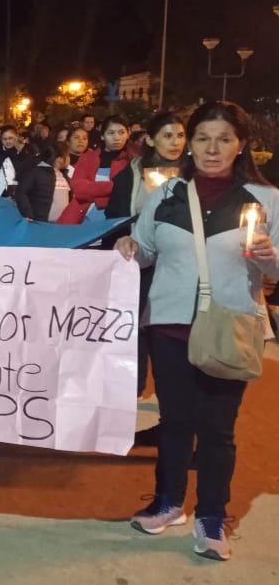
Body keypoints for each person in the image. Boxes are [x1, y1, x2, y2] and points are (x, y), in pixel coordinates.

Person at [117, 101, 279, 562]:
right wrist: (130, 244)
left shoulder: (265, 200)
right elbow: (146, 249)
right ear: (191, 142)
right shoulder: (167, 193)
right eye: (203, 138)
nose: (212, 149)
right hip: (169, 327)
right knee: (174, 424)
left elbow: (278, 265)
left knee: (217, 429)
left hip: (230, 327)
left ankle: (211, 515)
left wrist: (269, 258)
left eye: (224, 139)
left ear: (241, 145)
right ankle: (168, 503)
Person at [106, 111, 187, 437]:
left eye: (180, 135)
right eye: (168, 136)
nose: (175, 142)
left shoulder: (193, 176)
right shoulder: (132, 174)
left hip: (179, 273)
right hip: (139, 268)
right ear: (151, 139)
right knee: (134, 340)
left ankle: (174, 422)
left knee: (173, 349)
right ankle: (129, 408)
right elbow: (114, 219)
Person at [58, 116, 135, 224]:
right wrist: (113, 186)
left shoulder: (133, 162)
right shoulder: (88, 158)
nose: (117, 137)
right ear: (103, 136)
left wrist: (94, 192)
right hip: (83, 219)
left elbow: (131, 194)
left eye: (121, 132)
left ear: (128, 134)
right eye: (111, 133)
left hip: (118, 222)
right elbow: (79, 189)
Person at [14, 142, 72, 222]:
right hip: (40, 224)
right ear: (60, 159)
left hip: (59, 225)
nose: (69, 159)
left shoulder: (63, 175)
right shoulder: (36, 172)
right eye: (68, 155)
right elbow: (21, 192)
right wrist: (28, 213)